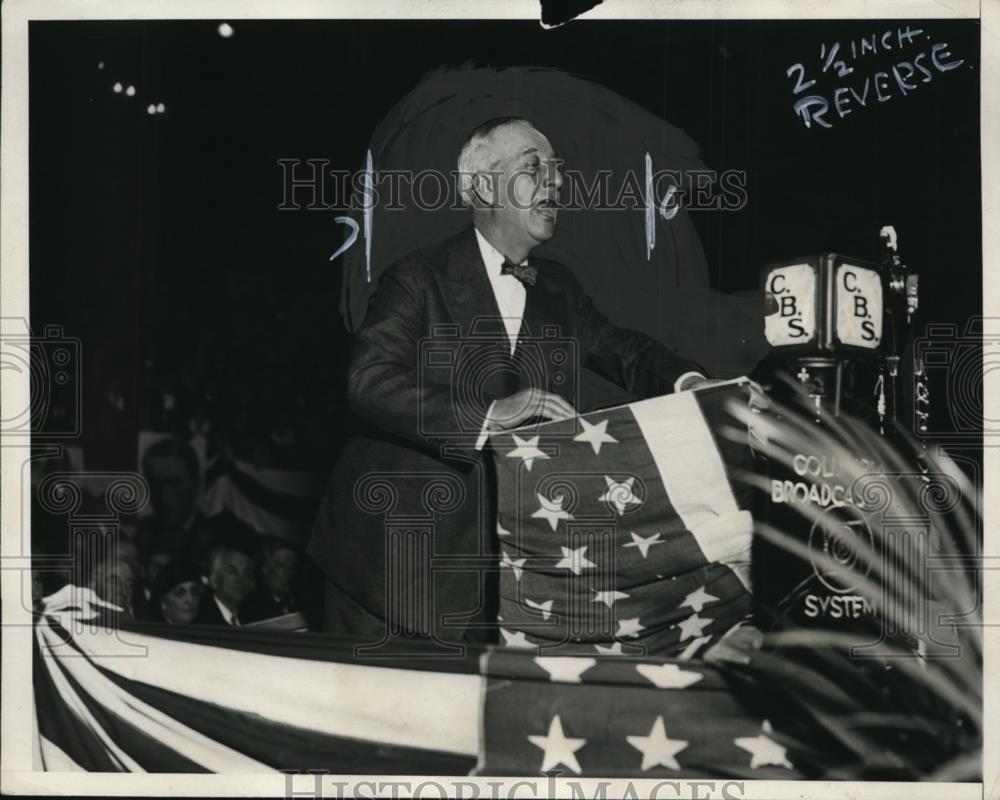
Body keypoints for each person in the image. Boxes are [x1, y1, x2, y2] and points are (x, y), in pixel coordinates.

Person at [308, 117, 710, 647]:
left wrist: (691, 382)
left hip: (487, 573)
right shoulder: (416, 277)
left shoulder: (558, 287)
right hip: (384, 568)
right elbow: (368, 379)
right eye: (533, 166)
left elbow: (624, 350)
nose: (556, 181)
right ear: (481, 186)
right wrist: (488, 415)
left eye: (557, 169)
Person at [136, 436, 216, 563]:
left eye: (174, 484)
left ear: (196, 484)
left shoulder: (218, 539)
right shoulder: (138, 536)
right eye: (154, 485)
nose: (164, 496)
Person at [241, 537, 301, 622]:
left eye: (292, 566)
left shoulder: (298, 602)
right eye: (281, 565)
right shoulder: (252, 608)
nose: (288, 572)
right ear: (265, 569)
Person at [194, 545, 255, 626]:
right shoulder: (203, 622)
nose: (241, 580)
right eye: (232, 572)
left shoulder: (252, 614)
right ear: (214, 580)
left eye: (246, 573)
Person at [148, 559, 204, 625]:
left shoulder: (205, 626)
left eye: (194, 591)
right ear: (163, 601)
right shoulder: (149, 628)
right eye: (180, 593)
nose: (190, 600)